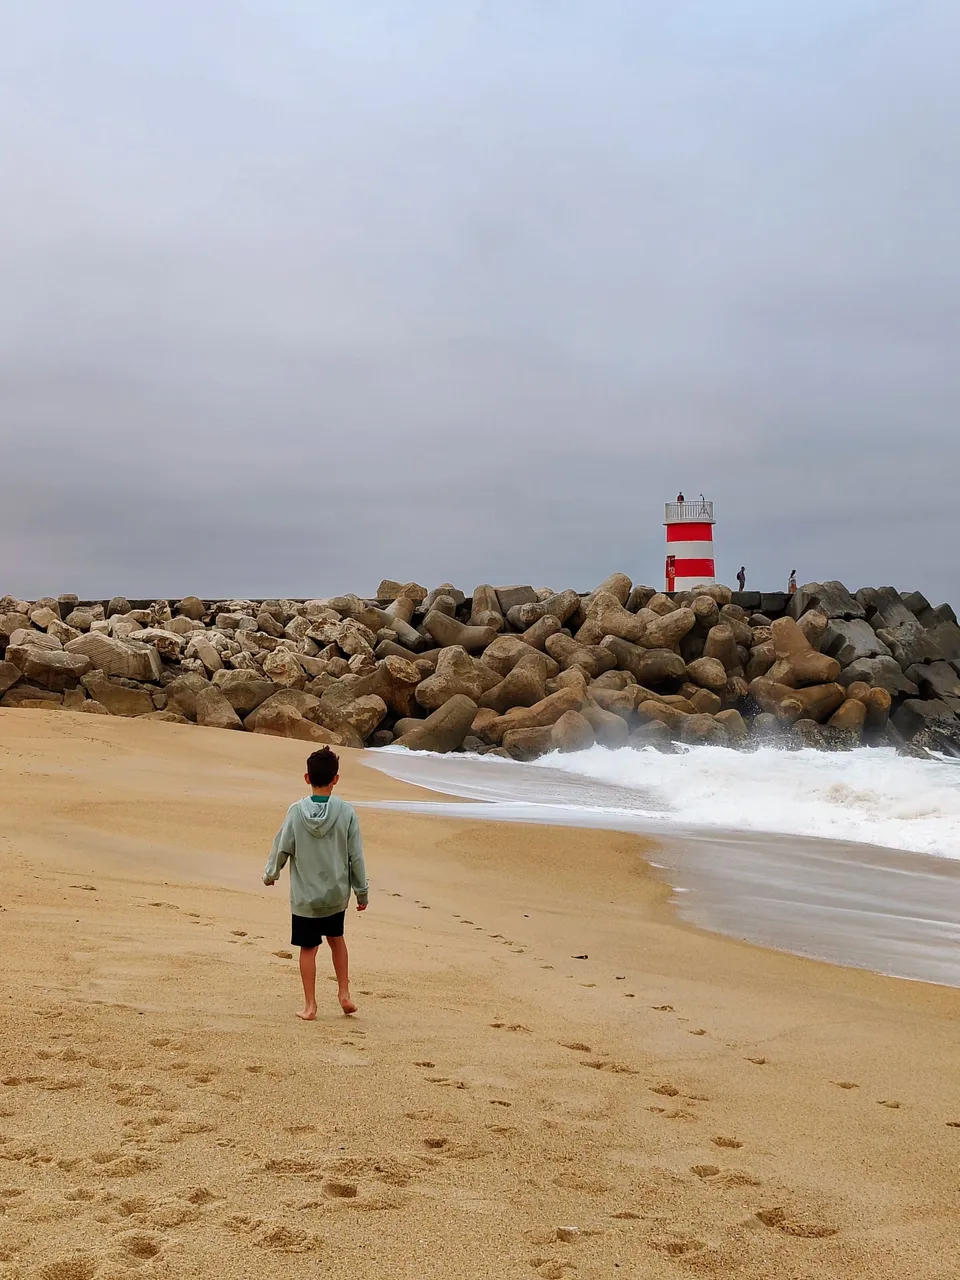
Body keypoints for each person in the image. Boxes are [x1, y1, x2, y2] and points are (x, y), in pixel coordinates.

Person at [263, 747, 369, 1020]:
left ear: (307, 778)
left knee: (308, 949)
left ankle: (310, 1006)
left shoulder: (296, 812)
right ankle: (343, 993)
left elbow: (282, 846)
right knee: (337, 940)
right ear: (336, 779)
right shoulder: (346, 812)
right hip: (335, 894)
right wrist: (361, 892)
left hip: (305, 897)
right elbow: (355, 855)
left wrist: (271, 873)